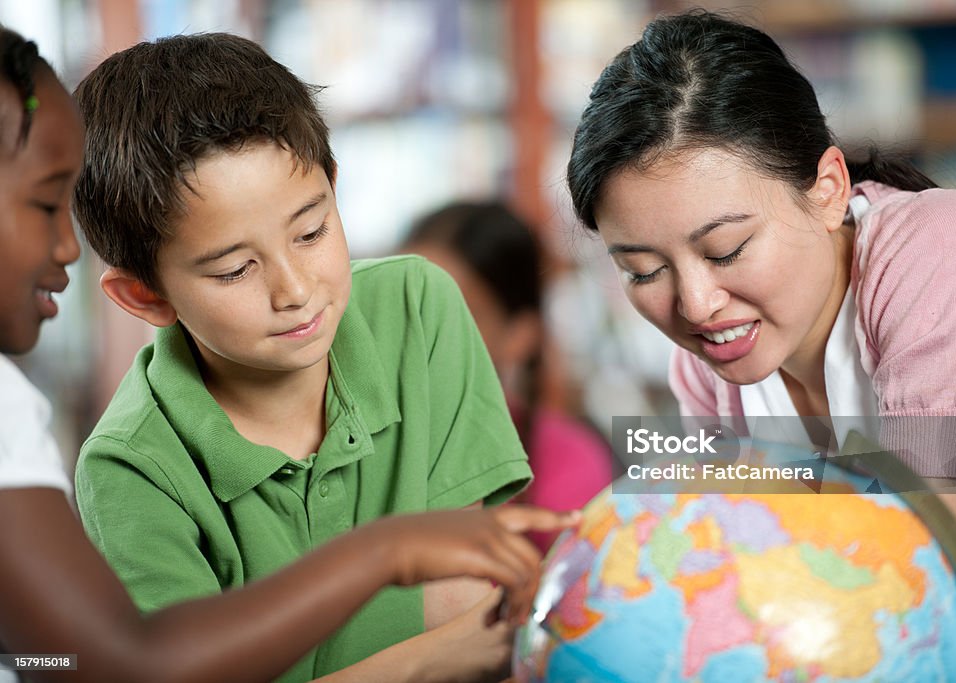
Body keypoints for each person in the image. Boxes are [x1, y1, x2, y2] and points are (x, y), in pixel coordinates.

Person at [0, 25, 577, 683]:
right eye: (234, 270)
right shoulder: (131, 466)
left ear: (334, 186)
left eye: (311, 231)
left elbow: (466, 620)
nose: (296, 291)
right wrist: (424, 652)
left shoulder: (418, 308)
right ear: (145, 295)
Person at [565, 9, 956, 670]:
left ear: (829, 188)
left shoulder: (945, 249)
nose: (695, 306)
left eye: (726, 249)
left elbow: (906, 563)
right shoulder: (707, 367)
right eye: (645, 270)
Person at [403, 201, 615, 551]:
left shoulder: (566, 462)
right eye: (400, 306)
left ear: (520, 334)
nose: (414, 335)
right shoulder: (349, 448)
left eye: (447, 315)